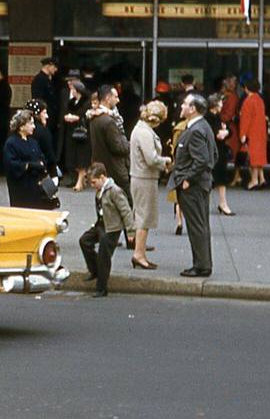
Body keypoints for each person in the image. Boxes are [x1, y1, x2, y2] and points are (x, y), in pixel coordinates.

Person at [167, 93, 216, 277]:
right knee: (201, 225)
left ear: (193, 109)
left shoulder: (195, 130)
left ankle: (201, 265)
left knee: (196, 226)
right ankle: (203, 263)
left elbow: (202, 160)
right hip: (200, 183)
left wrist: (187, 179)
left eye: (185, 104)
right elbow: (213, 156)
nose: (181, 107)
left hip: (193, 186)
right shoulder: (204, 127)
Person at [79, 163, 133, 297]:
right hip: (101, 224)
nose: (93, 185)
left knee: (104, 254)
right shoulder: (100, 190)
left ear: (102, 177)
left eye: (94, 182)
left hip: (112, 228)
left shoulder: (114, 191)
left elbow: (126, 211)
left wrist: (131, 231)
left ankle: (102, 287)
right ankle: (95, 270)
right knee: (84, 241)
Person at [128, 99, 171, 270]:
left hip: (140, 177)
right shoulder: (145, 133)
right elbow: (151, 158)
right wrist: (165, 161)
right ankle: (139, 254)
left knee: (142, 216)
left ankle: (139, 252)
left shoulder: (140, 129)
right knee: (144, 217)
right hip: (144, 178)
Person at [4, 109, 55, 209]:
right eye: (31, 124)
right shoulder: (11, 143)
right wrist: (29, 165)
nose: (34, 126)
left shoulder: (33, 142)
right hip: (21, 186)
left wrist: (42, 164)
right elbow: (11, 164)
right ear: (22, 126)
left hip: (36, 185)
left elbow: (42, 157)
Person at [88, 84, 131, 191]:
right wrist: (129, 145)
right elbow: (118, 147)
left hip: (101, 167)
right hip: (115, 170)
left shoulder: (94, 118)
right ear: (108, 98)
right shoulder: (109, 121)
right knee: (124, 203)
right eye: (115, 97)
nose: (118, 100)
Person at [204, 94, 235, 216]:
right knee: (211, 177)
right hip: (211, 150)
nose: (222, 105)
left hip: (219, 150)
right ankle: (217, 204)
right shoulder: (208, 118)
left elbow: (227, 130)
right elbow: (214, 133)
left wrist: (225, 132)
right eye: (220, 103)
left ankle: (223, 203)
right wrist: (223, 132)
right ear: (215, 105)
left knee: (221, 177)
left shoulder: (217, 117)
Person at [239, 80, 268, 190]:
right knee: (259, 156)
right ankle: (262, 178)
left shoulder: (248, 101)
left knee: (253, 158)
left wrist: (243, 134)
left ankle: (254, 180)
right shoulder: (260, 100)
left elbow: (245, 119)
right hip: (260, 131)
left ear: (246, 88)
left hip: (251, 132)